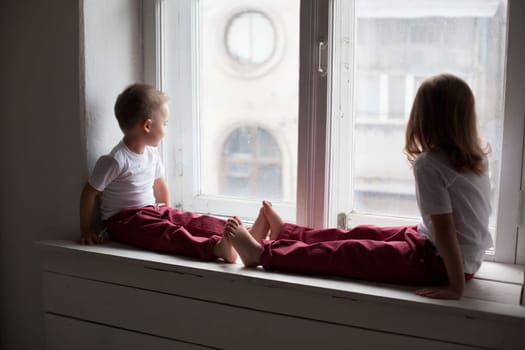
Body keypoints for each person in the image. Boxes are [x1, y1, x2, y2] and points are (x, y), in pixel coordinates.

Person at [224, 73, 492, 299]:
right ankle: (288, 233)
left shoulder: (430, 164)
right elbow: (452, 229)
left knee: (349, 253)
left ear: (423, 119)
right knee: (364, 233)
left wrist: (455, 286)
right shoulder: (474, 160)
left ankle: (263, 254)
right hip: (445, 251)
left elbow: (446, 231)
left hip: (440, 260)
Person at [78, 83, 253, 263]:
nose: (166, 129)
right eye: (165, 123)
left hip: (152, 211)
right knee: (168, 234)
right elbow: (89, 193)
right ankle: (216, 248)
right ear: (147, 125)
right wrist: (87, 229)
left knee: (190, 220)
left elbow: (160, 186)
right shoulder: (116, 160)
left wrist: (169, 213)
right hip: (123, 221)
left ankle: (246, 234)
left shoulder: (151, 154)